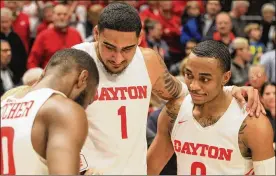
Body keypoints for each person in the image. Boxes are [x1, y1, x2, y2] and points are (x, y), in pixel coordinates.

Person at [73, 2, 265, 175]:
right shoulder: (73, 62)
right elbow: (46, 113)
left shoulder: (147, 61)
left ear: (140, 38)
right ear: (97, 33)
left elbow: (186, 92)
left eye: (127, 49)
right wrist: (79, 166)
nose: (118, 58)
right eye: (109, 47)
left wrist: (228, 90)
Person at [147, 40, 275, 175]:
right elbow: (150, 169)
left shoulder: (252, 123)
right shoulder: (173, 112)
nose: (194, 86)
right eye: (189, 75)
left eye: (205, 79)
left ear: (225, 77)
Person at [1, 48, 99, 175]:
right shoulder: (62, 109)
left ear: (45, 72)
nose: (84, 108)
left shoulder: (4, 103)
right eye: (88, 101)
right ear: (82, 78)